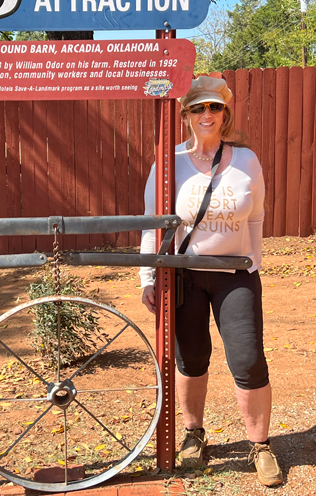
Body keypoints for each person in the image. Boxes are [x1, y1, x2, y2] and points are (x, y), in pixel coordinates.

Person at [139, 76, 283, 487]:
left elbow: (255, 216)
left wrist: (253, 262)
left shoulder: (245, 160)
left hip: (234, 277)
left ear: (226, 114)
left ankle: (259, 445)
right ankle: (193, 435)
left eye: (215, 107)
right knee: (191, 358)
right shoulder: (169, 162)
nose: (207, 115)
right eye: (198, 107)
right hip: (185, 276)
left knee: (248, 358)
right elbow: (152, 224)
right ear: (185, 114)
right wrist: (148, 277)